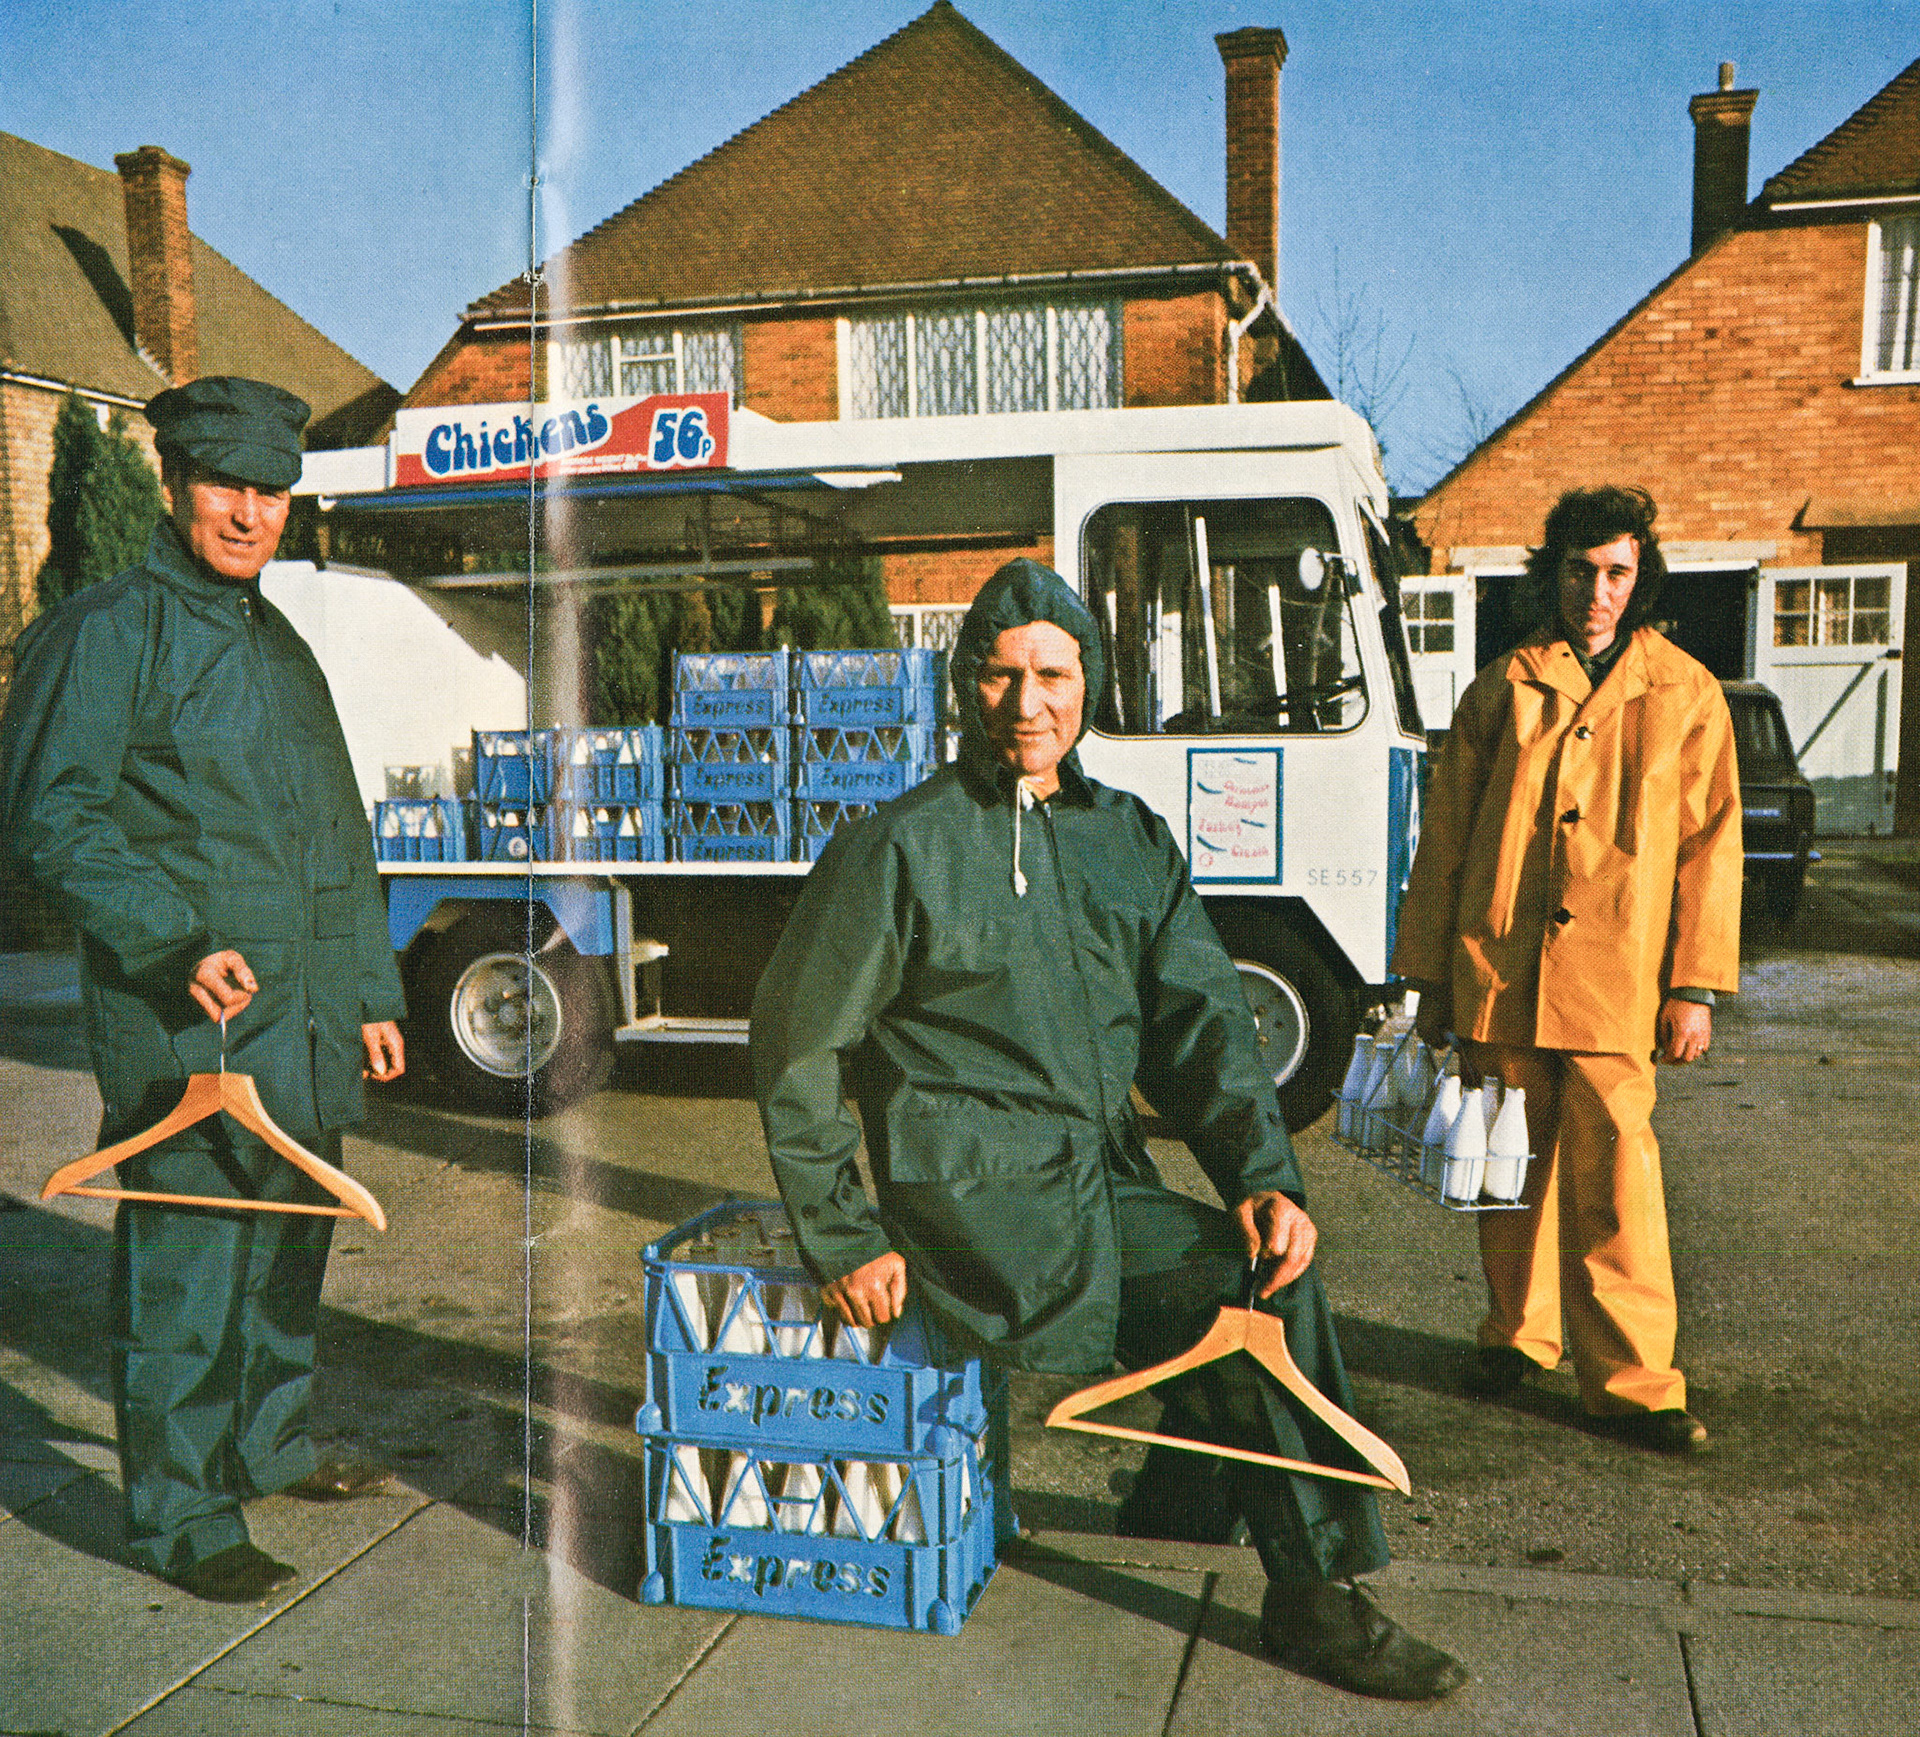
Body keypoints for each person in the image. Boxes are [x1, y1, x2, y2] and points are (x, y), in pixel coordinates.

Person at [752, 558, 1466, 1702]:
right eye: (998, 675)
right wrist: (844, 1236)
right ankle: (1316, 1594)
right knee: (1244, 1294)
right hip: (977, 1202)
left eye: (1051, 673)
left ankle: (1182, 1513)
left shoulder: (1127, 837)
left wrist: (1260, 1173)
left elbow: (1204, 1028)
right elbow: (797, 1048)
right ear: (962, 687)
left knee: (1266, 1250)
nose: (1026, 704)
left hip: (1092, 1176)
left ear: (1088, 685)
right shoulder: (901, 847)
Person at [0, 377, 407, 1602]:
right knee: (189, 1252)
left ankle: (265, 1444)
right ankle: (181, 1514)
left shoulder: (279, 647)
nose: (250, 513)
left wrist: (373, 994)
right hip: (185, 1010)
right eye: (228, 487)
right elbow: (50, 817)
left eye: (272, 492)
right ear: (175, 486)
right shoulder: (109, 630)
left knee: (288, 1240)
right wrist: (172, 938)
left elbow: (337, 839)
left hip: (303, 1012)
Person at [1391, 485, 1741, 1454]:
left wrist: (1694, 985)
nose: (1596, 591)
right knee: (1508, 1174)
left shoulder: (1688, 693)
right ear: (1552, 574)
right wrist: (1425, 973)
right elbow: (1447, 836)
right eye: (1579, 571)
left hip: (1619, 985)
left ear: (1642, 579)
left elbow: (1713, 849)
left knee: (1618, 1185)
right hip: (1498, 969)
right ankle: (1517, 1335)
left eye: (1617, 573)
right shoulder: (1501, 684)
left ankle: (1637, 1383)